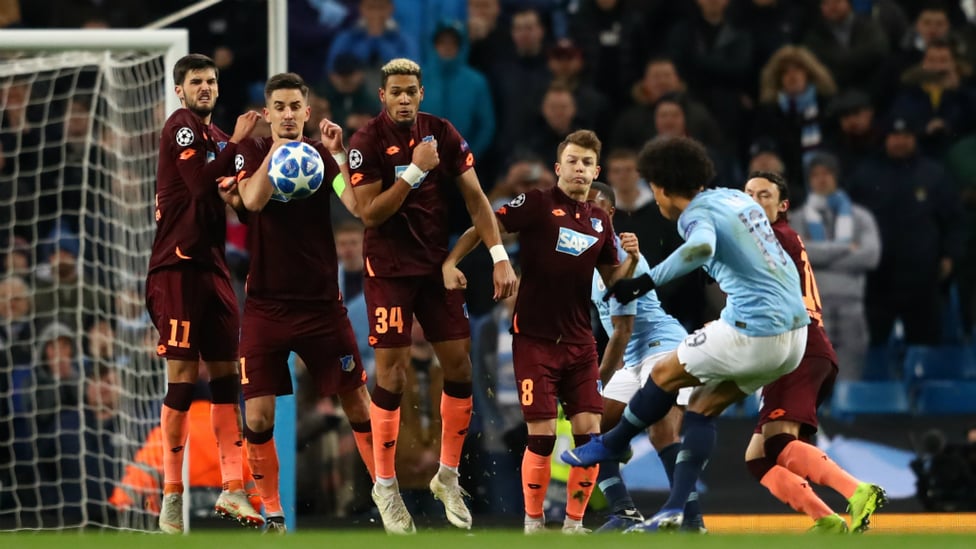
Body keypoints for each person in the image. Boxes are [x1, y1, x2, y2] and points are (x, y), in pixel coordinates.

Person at [562, 136, 809, 533]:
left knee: (662, 381)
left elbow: (699, 248)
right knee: (701, 409)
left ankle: (615, 442)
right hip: (794, 336)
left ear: (661, 186)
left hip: (752, 328)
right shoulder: (735, 198)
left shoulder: (692, 216)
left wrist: (642, 283)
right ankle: (675, 511)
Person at [347, 58, 517, 533]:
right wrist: (415, 173)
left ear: (421, 93)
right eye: (395, 92)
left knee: (459, 367)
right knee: (394, 376)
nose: (403, 99)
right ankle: (386, 485)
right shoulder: (366, 143)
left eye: (411, 91)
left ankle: (447, 474)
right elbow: (370, 216)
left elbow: (476, 198)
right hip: (388, 272)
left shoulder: (442, 132)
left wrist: (499, 255)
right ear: (382, 96)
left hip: (433, 268)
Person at [443, 130, 639, 534]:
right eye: (573, 161)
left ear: (596, 171)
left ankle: (572, 524)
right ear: (558, 168)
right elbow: (485, 223)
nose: (580, 169)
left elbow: (614, 280)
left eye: (587, 163)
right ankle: (533, 523)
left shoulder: (601, 221)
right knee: (544, 435)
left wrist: (631, 260)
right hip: (534, 339)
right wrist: (451, 262)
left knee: (590, 436)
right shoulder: (536, 203)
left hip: (580, 342)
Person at [223, 72, 373, 534]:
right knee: (260, 414)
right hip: (266, 304)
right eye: (280, 107)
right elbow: (249, 200)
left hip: (322, 304)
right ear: (268, 114)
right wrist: (274, 151)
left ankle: (386, 493)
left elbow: (355, 205)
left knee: (358, 405)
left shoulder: (320, 157)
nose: (288, 115)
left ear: (307, 112)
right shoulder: (251, 152)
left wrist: (338, 155)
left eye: (295, 107)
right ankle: (272, 510)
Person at [145, 53, 262, 534]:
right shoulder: (183, 127)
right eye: (196, 81)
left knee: (225, 379)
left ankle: (233, 488)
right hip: (176, 266)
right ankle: (172, 495)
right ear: (180, 90)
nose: (206, 88)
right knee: (181, 377)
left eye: (212, 81)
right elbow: (196, 184)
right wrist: (237, 144)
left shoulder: (216, 141)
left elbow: (239, 208)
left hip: (212, 270)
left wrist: (249, 182)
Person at [743, 172, 887, 533]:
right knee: (759, 457)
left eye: (764, 195)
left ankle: (858, 490)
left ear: (783, 206)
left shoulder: (771, 237)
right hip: (805, 346)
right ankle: (827, 522)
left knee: (777, 442)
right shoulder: (782, 236)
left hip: (797, 345)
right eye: (748, 194)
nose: (754, 201)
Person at [585, 181, 704, 533]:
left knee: (662, 433)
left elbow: (621, 331)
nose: (586, 212)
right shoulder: (583, 258)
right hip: (631, 358)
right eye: (581, 205)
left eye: (595, 207)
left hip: (662, 347)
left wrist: (594, 382)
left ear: (610, 215)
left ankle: (693, 521)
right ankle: (624, 512)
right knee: (592, 434)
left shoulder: (622, 257)